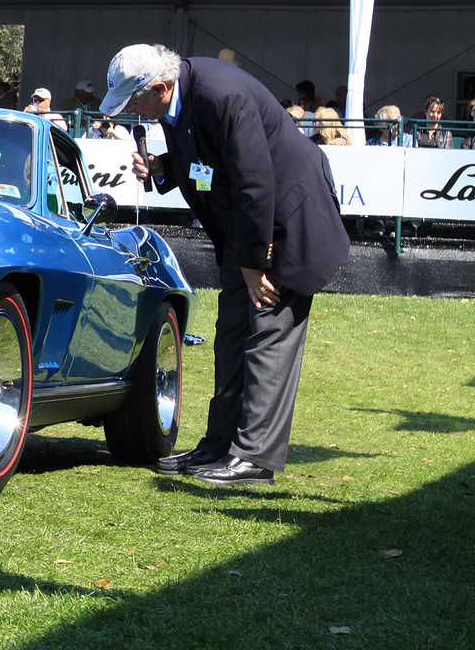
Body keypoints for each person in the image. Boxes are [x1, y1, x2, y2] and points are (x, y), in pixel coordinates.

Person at [104, 43, 349, 487]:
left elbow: (255, 182)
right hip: (249, 230)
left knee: (268, 334)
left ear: (160, 87)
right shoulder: (181, 99)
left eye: (134, 101)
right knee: (232, 334)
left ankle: (254, 458)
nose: (131, 113)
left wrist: (255, 265)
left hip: (285, 223)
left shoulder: (221, 95)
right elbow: (206, 161)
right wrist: (162, 168)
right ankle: (219, 445)